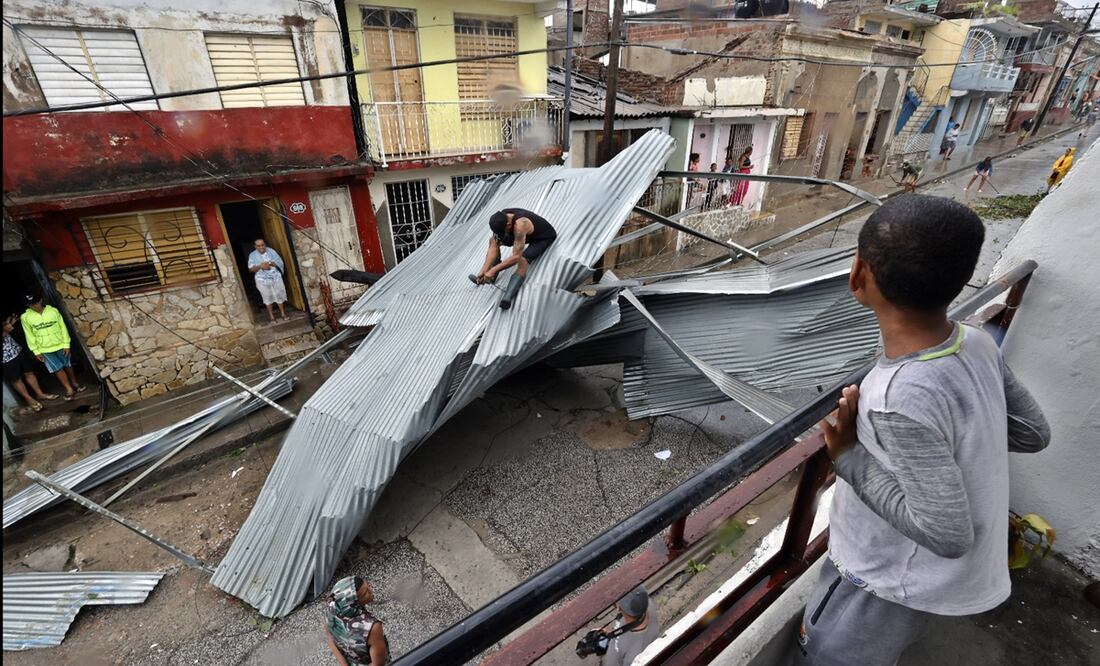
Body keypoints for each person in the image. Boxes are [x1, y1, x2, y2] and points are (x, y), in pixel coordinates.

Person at [795, 195, 1050, 666]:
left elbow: (948, 534)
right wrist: (961, 440)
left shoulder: (897, 397)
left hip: (887, 580)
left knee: (830, 654)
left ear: (858, 275)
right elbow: (1034, 433)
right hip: (929, 581)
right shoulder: (975, 342)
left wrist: (849, 456)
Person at [470, 208, 557, 310]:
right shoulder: (501, 218)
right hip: (523, 235)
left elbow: (516, 257)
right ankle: (485, 276)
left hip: (542, 237)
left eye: (504, 232)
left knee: (523, 260)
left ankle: (508, 297)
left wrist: (493, 270)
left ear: (508, 225)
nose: (503, 235)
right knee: (493, 240)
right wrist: (485, 270)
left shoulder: (521, 225)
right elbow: (496, 241)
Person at [21, 294, 82, 401]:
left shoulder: (53, 311)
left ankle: (75, 383)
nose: (35, 306)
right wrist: (36, 351)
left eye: (36, 303)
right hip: (44, 348)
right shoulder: (25, 317)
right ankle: (68, 389)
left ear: (40, 300)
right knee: (57, 368)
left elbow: (62, 327)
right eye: (31, 304)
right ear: (27, 305)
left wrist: (66, 344)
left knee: (67, 364)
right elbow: (29, 334)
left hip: (60, 344)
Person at [325, 576, 389, 666]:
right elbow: (378, 664)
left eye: (368, 586)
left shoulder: (332, 608)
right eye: (365, 593)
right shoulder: (372, 628)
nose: (371, 591)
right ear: (353, 604)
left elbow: (329, 636)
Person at [4, 314, 59, 411]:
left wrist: (9, 324)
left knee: (29, 372)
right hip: (5, 358)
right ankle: (29, 399)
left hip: (17, 349)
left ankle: (40, 394)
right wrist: (6, 330)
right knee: (16, 379)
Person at [601, 587, 661, 666]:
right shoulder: (648, 605)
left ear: (618, 607)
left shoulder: (615, 651)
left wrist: (602, 652)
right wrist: (611, 634)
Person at [248, 238, 289, 324]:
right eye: (258, 246)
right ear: (255, 247)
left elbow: (279, 261)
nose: (261, 247)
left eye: (262, 245)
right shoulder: (252, 255)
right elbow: (251, 269)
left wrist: (273, 264)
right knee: (267, 297)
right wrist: (260, 267)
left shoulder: (271, 251)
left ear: (265, 244)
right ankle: (271, 317)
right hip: (262, 280)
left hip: (275, 277)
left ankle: (283, 314)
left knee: (279, 295)